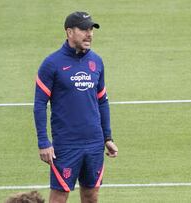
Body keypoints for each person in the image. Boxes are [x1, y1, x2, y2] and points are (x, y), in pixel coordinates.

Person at [33, 11, 118, 203]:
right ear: (69, 32)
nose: (89, 34)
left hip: (94, 143)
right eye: (83, 29)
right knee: (59, 197)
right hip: (66, 144)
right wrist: (43, 142)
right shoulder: (51, 64)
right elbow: (39, 104)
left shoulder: (96, 62)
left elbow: (102, 100)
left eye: (91, 29)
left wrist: (107, 137)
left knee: (91, 196)